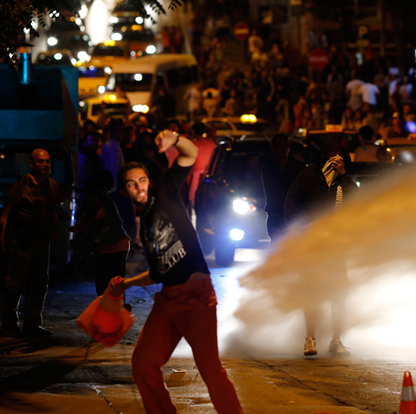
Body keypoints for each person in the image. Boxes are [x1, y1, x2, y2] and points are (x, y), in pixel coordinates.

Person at [110, 131, 243, 414]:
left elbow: (190, 154)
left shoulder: (164, 191)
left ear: (149, 181)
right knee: (143, 365)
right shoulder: (144, 224)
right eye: (132, 185)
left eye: (142, 180)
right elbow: (159, 273)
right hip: (168, 299)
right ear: (125, 192)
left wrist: (175, 137)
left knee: (211, 371)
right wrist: (126, 285)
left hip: (196, 297)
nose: (139, 187)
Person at [285, 141, 358, 357]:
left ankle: (336, 340)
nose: (335, 160)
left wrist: (343, 176)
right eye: (331, 156)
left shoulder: (344, 181)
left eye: (340, 157)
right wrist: (300, 229)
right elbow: (290, 204)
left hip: (337, 247)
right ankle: (310, 339)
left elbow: (358, 201)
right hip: (312, 245)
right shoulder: (308, 176)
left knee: (339, 291)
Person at [0, 149, 61, 338]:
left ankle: (32, 325)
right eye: (41, 161)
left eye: (48, 161)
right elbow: (6, 211)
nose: (45, 165)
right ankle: (9, 326)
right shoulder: (21, 184)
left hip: (41, 243)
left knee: (39, 284)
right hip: (20, 243)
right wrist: (2, 236)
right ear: (32, 164)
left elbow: (53, 210)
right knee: (14, 285)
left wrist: (54, 229)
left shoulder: (52, 185)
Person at [73, 169, 131, 297]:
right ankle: (118, 312)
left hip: (107, 245)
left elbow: (100, 214)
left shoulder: (94, 197)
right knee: (116, 284)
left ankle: (109, 314)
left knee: (104, 286)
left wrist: (83, 228)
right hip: (121, 243)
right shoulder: (106, 197)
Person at [261, 134, 306, 243]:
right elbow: (273, 189)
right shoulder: (269, 167)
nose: (283, 148)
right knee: (278, 243)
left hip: (295, 213)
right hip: (277, 212)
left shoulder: (298, 166)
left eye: (285, 144)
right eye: (279, 144)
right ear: (273, 147)